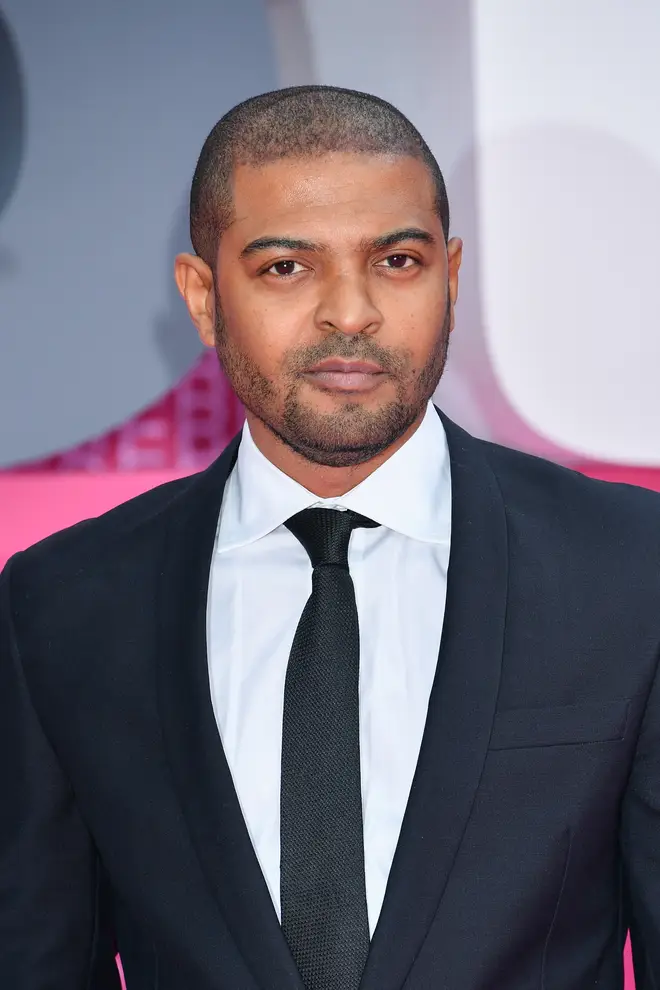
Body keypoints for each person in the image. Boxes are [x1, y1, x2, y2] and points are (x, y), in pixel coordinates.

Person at [1, 84, 659, 990]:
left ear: (452, 278)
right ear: (202, 295)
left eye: (396, 260)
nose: (350, 313)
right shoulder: (62, 607)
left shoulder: (630, 571)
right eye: (287, 267)